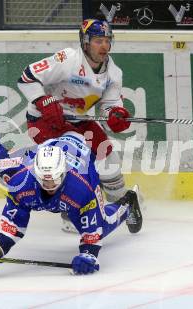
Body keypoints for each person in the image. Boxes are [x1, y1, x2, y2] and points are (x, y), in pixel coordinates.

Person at [0, 76, 143, 274]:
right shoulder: (22, 181)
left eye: (54, 179)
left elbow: (93, 234)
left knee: (103, 223)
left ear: (64, 173)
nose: (49, 184)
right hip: (48, 145)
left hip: (81, 150)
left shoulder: (82, 188)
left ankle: (128, 202)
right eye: (44, 178)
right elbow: (13, 227)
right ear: (36, 172)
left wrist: (88, 254)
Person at [17, 19, 131, 204]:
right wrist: (42, 100)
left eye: (107, 40)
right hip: (44, 121)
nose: (104, 46)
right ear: (85, 42)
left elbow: (109, 107)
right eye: (97, 41)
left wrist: (115, 115)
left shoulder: (114, 74)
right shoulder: (68, 59)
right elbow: (27, 77)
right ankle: (70, 210)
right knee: (74, 156)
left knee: (108, 153)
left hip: (78, 120)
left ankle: (119, 200)